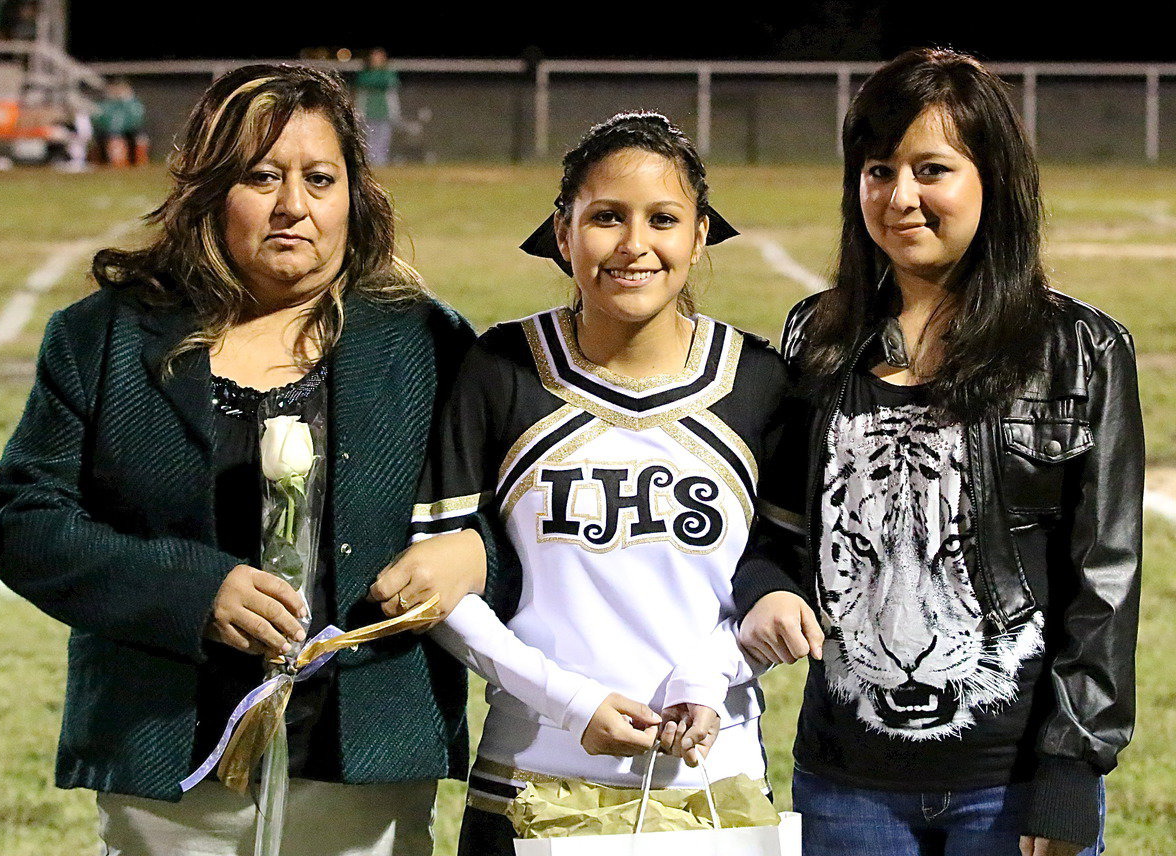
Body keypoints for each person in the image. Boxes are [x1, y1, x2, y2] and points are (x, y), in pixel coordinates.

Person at [0, 63, 485, 856]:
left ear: (353, 196)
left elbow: (518, 514)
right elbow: (26, 522)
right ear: (210, 189)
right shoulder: (105, 337)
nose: (294, 205)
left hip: (365, 763)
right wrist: (191, 590)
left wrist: (476, 552)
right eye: (261, 176)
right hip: (167, 759)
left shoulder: (425, 342)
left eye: (319, 178)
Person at [370, 111, 815, 855]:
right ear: (564, 232)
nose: (634, 244)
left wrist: (708, 678)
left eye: (663, 219)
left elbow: (783, 580)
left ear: (700, 234)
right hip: (529, 775)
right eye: (606, 217)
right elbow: (432, 586)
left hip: (714, 777)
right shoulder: (501, 368)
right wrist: (570, 702)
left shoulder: (760, 382)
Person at [737, 48, 1143, 856]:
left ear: (992, 179)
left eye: (932, 169)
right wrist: (766, 592)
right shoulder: (816, 339)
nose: (901, 198)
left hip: (1013, 781)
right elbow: (777, 532)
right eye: (879, 170)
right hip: (846, 779)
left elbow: (1105, 579)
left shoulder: (1081, 349)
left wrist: (1070, 773)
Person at [354, 48, 400, 167]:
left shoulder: (388, 72)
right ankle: (371, 164)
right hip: (369, 112)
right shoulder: (365, 73)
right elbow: (362, 84)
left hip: (385, 112)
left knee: (383, 139)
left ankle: (381, 163)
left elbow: (389, 83)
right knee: (370, 139)